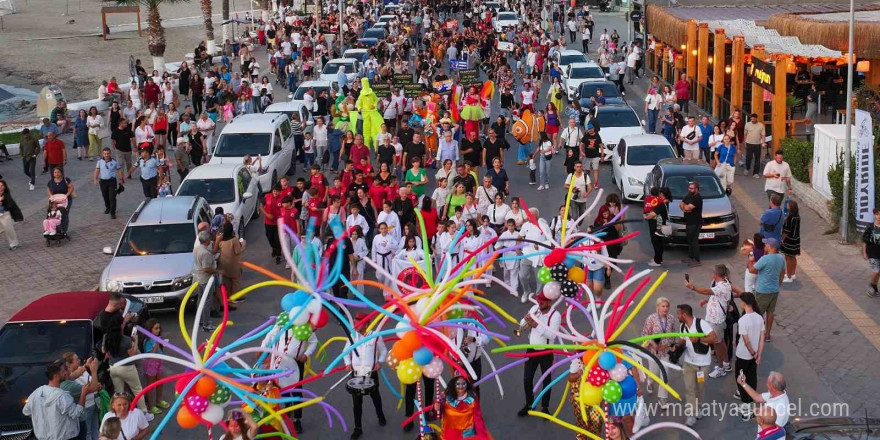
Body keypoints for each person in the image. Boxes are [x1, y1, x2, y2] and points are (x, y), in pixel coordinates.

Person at [23, 360, 102, 440]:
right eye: (63, 371)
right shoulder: (62, 396)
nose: (66, 373)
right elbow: (77, 413)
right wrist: (83, 395)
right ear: (56, 376)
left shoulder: (36, 393)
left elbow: (27, 411)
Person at [343, 313, 387, 439]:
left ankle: (380, 415)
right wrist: (348, 364)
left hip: (371, 373)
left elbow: (383, 350)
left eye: (359, 322)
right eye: (355, 322)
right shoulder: (352, 336)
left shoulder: (375, 336)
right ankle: (358, 428)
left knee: (375, 396)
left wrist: (380, 362)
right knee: (356, 403)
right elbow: (345, 353)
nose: (356, 325)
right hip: (356, 374)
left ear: (367, 323)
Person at [516, 291, 561, 417]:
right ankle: (529, 404)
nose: (539, 304)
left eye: (542, 302)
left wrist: (537, 325)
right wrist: (525, 321)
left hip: (546, 352)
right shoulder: (534, 308)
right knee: (527, 378)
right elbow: (522, 325)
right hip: (531, 349)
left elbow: (552, 335)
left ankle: (545, 407)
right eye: (538, 301)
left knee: (546, 381)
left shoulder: (555, 316)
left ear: (549, 302)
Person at [672, 303, 716, 427]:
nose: (677, 316)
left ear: (684, 314)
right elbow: (682, 341)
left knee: (699, 389)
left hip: (703, 365)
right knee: (689, 388)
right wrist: (675, 347)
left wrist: (699, 339)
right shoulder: (682, 327)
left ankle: (699, 407)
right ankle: (691, 414)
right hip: (689, 363)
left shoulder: (701, 324)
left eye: (678, 313)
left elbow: (714, 338)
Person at [686, 264, 733, 378]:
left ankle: (721, 368)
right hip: (716, 319)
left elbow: (707, 291)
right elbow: (716, 296)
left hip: (716, 320)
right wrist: (707, 301)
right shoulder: (724, 283)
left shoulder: (722, 286)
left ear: (716, 274)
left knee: (717, 343)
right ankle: (726, 364)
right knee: (721, 342)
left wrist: (693, 287)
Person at [641, 297, 678, 409]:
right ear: (657, 307)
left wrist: (672, 345)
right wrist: (653, 344)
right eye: (663, 306)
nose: (665, 308)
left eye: (667, 306)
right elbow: (645, 334)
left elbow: (673, 333)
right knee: (654, 372)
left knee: (664, 375)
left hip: (666, 352)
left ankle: (663, 399)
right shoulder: (651, 319)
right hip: (654, 352)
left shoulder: (671, 318)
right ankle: (650, 381)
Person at [734, 292, 765, 414]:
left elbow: (746, 341)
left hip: (743, 355)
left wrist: (752, 353)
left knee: (741, 377)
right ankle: (751, 399)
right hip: (754, 355)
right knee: (752, 377)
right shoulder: (759, 317)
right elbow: (762, 338)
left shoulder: (743, 320)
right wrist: (758, 354)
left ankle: (746, 404)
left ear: (744, 303)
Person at [750, 238, 785, 342]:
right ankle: (768, 334)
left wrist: (751, 261)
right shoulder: (781, 258)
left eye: (766, 244)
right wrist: (778, 284)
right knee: (770, 312)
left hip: (763, 291)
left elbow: (752, 270)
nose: (764, 245)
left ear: (770, 246)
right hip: (774, 290)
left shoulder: (764, 259)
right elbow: (783, 272)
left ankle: (758, 334)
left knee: (759, 313)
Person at [93, 148, 124, 219]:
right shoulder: (100, 162)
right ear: (102, 154)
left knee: (112, 197)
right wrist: (95, 179)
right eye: (105, 153)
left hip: (112, 181)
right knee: (105, 196)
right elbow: (97, 170)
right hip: (103, 182)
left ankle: (113, 212)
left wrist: (121, 179)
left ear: (110, 154)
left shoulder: (114, 162)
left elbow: (119, 170)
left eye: (108, 153)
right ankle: (108, 208)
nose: (106, 155)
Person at [643, 187, 670, 266]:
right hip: (660, 226)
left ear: (663, 194)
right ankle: (658, 259)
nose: (658, 195)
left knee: (656, 242)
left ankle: (657, 261)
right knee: (659, 242)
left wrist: (646, 217)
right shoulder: (664, 202)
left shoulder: (661, 204)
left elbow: (652, 215)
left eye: (660, 194)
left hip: (656, 226)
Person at [680, 180, 703, 266]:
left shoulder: (697, 198)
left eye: (692, 188)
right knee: (689, 240)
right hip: (689, 222)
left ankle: (697, 260)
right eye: (689, 188)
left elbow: (688, 208)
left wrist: (685, 208)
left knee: (694, 241)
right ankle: (690, 257)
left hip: (695, 223)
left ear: (696, 189)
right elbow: (681, 204)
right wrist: (684, 208)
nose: (689, 190)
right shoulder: (689, 195)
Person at [780, 201, 800, 283]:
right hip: (796, 239)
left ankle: (788, 277)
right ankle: (793, 274)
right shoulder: (797, 216)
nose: (786, 206)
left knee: (788, 257)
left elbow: (786, 231)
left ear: (791, 207)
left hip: (789, 240)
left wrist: (782, 239)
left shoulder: (790, 218)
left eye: (788, 205)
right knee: (793, 256)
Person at [0, 179, 23, 250]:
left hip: (4, 214)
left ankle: (13, 244)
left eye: (2, 185)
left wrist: (2, 204)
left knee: (9, 230)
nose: (0, 187)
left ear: (4, 186)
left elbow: (10, 204)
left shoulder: (6, 194)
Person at [863, 208, 880, 298]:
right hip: (872, 253)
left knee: (878, 272)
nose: (879, 217)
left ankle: (875, 289)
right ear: (874, 215)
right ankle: (872, 285)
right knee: (876, 271)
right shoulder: (870, 227)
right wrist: (864, 252)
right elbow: (864, 240)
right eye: (877, 214)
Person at [744, 113, 767, 178]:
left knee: (757, 159)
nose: (752, 119)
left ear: (756, 118)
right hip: (749, 143)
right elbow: (745, 134)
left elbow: (763, 135)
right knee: (748, 157)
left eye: (754, 118)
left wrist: (763, 142)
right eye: (751, 118)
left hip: (757, 144)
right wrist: (745, 142)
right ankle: (747, 168)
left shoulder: (761, 125)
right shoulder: (747, 124)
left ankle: (755, 173)